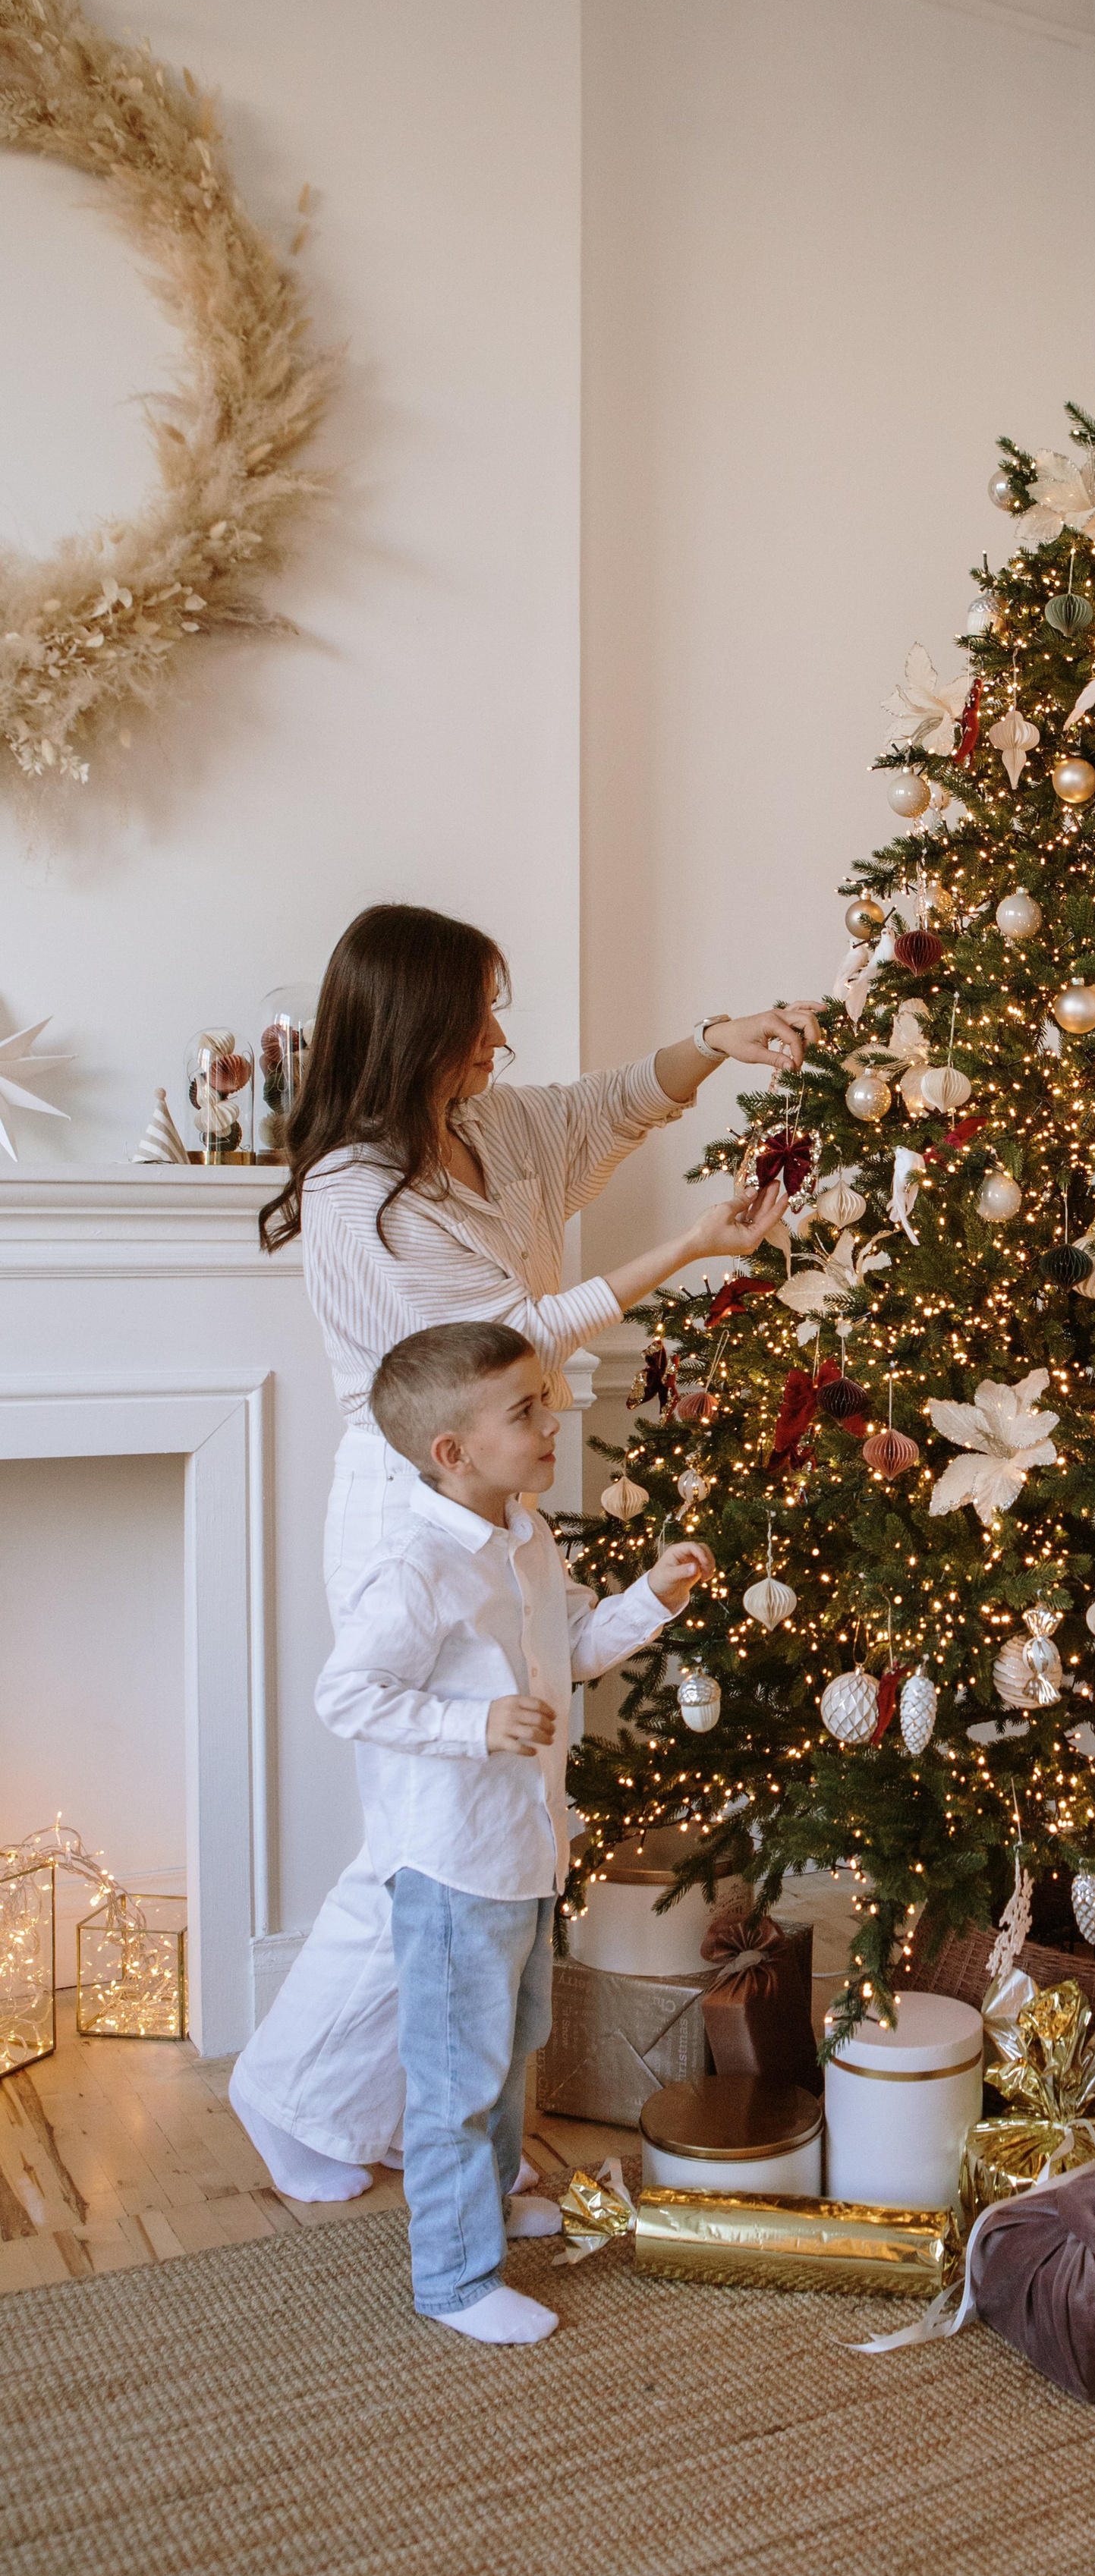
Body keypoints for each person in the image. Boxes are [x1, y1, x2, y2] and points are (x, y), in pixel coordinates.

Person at [231, 901, 816, 2201]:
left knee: (477, 1840)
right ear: (414, 1026)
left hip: (489, 1492)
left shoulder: (484, 1125)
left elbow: (605, 1107)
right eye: (477, 1016)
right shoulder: (356, 1197)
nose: (499, 1039)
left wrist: (717, 1041)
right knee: (419, 1850)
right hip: (413, 1504)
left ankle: (394, 2109)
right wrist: (688, 1248)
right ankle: (289, 2096)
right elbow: (500, 1346)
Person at [317, 1321, 712, 2344]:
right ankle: (453, 2278)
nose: (554, 1420)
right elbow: (347, 1694)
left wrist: (650, 1599)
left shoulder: (525, 1535)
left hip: (526, 1849)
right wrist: (473, 1725)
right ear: (453, 1451)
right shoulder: (415, 1567)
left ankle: (488, 2205)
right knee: (455, 2076)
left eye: (547, 1400)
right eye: (526, 1410)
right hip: (454, 1864)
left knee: (508, 2049)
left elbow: (567, 1646)